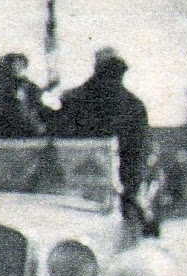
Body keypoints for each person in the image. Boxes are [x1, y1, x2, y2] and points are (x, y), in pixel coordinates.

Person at [54, 47, 151, 206]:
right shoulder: (133, 105)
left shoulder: (74, 99)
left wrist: (130, 191)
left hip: (86, 189)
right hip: (79, 187)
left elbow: (136, 153)